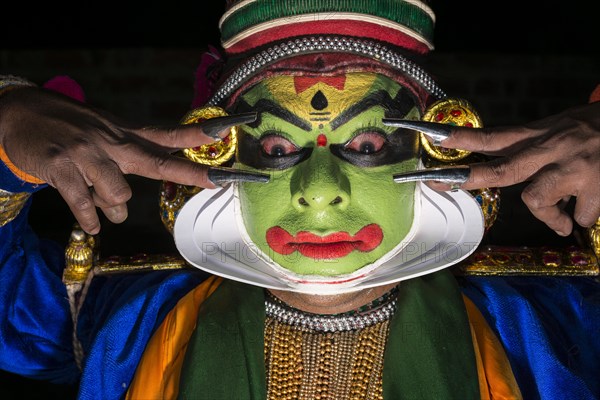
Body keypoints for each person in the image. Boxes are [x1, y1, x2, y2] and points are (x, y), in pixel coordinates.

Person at [1, 1, 599, 399]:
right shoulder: (124, 319)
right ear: (222, 159)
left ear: (432, 156)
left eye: (366, 142)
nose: (318, 193)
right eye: (277, 145)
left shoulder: (551, 323)